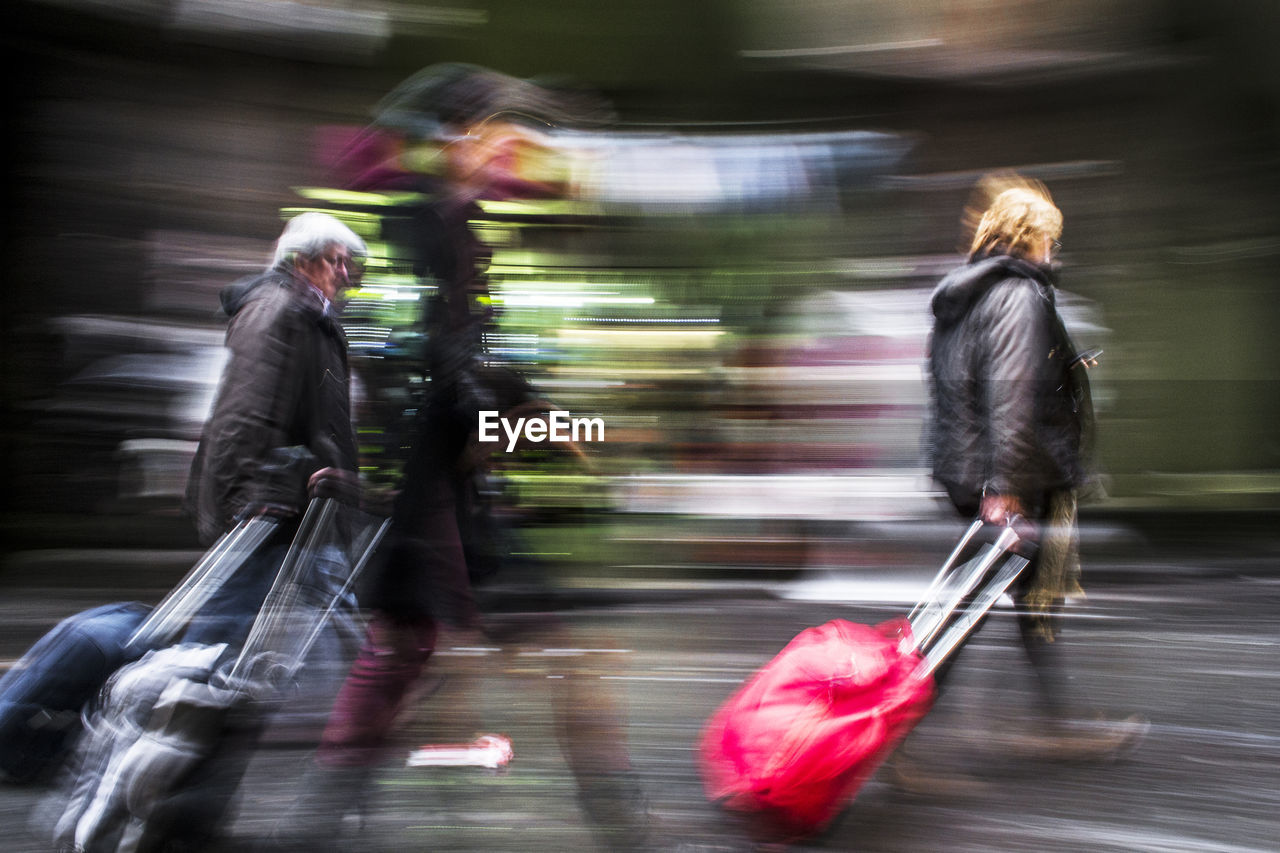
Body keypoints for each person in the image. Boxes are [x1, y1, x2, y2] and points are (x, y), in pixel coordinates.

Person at [270, 65, 655, 852]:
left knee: (400, 658)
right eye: (488, 129)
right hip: (429, 495)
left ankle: (309, 826)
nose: (502, 145)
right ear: (454, 138)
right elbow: (440, 365)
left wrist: (543, 420)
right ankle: (625, 828)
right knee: (542, 654)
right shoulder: (418, 228)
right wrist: (536, 426)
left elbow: (473, 357)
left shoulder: (458, 226)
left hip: (446, 492)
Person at [910, 175, 1145, 787]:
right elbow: (1011, 393)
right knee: (970, 613)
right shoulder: (1017, 296)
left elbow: (952, 393)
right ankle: (893, 741)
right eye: (1049, 238)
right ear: (1028, 237)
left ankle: (1053, 724)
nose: (1054, 251)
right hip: (1011, 479)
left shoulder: (966, 297)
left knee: (1021, 603)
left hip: (981, 473)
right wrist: (1006, 486)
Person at [182, 211, 367, 645]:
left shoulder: (311, 317)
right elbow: (244, 410)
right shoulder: (275, 311)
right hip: (275, 503)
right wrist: (251, 496)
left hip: (305, 502)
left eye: (346, 264)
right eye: (334, 262)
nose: (344, 274)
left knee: (311, 612)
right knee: (224, 627)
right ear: (301, 261)